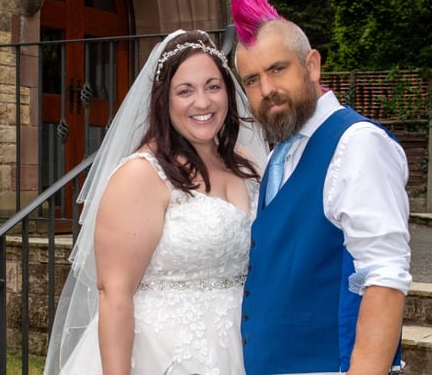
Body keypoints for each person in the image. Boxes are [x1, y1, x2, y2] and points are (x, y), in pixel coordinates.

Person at [44, 29, 267, 375]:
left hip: (243, 348)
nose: (203, 102)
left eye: (212, 86)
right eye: (185, 91)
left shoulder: (247, 164)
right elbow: (114, 293)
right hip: (162, 356)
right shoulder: (141, 175)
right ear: (164, 100)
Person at [231, 0, 411, 375]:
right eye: (252, 80)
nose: (266, 89)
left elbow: (385, 276)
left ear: (312, 65)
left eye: (277, 69)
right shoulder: (280, 155)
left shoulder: (358, 143)